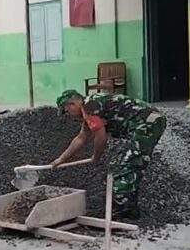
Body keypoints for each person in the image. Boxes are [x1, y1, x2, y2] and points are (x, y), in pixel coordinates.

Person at [53, 89, 166, 220]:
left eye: (67, 111)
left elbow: (100, 138)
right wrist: (61, 159)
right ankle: (128, 209)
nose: (69, 115)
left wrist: (96, 157)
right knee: (130, 166)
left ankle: (126, 211)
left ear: (72, 103)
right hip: (147, 122)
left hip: (146, 124)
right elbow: (81, 138)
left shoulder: (90, 106)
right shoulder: (91, 105)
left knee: (128, 168)